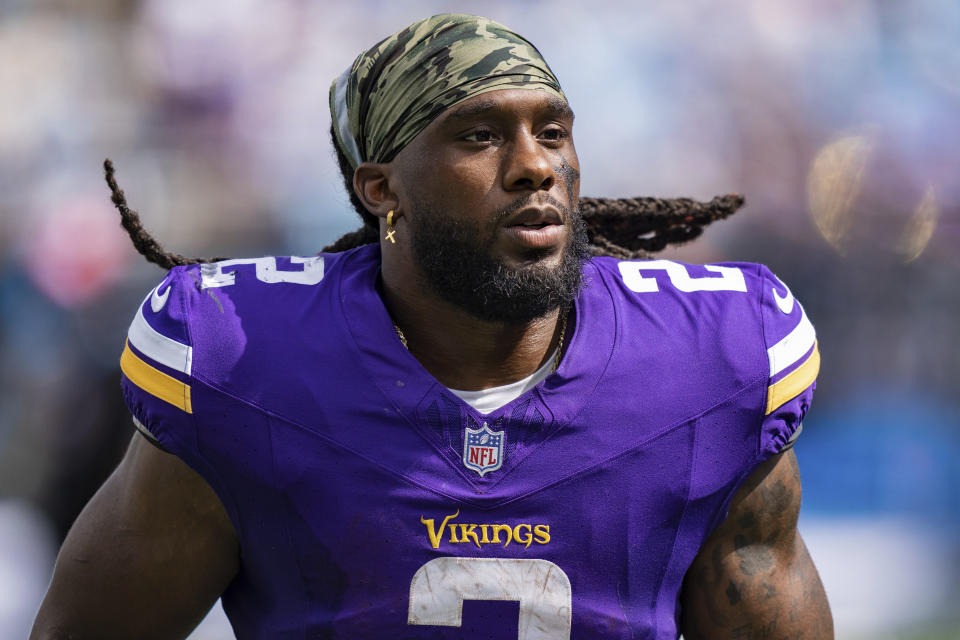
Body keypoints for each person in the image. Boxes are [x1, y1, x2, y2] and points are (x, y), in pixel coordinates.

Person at [32, 13, 832, 640]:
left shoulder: (710, 361)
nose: (535, 165)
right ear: (382, 188)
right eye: (480, 135)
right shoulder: (242, 366)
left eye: (552, 131)